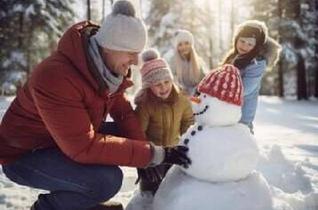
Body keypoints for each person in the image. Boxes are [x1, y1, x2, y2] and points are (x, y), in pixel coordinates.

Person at [0, 1, 191, 210]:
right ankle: (49, 207)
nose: (136, 61)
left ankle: (81, 201)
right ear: (110, 46)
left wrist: (145, 151)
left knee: (133, 129)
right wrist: (152, 155)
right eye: (131, 52)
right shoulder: (55, 78)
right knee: (106, 181)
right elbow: (83, 147)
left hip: (62, 139)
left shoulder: (106, 70)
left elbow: (123, 113)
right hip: (25, 154)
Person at [134, 49, 195, 195]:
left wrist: (190, 142)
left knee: (171, 190)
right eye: (157, 84)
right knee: (151, 189)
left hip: (174, 153)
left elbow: (188, 121)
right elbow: (138, 133)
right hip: (153, 156)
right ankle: (146, 197)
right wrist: (143, 160)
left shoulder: (181, 100)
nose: (163, 87)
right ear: (149, 86)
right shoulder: (145, 105)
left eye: (166, 82)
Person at [222, 20, 281, 133]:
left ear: (256, 46)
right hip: (228, 109)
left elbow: (246, 89)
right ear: (236, 39)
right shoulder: (233, 56)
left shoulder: (257, 63)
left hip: (243, 113)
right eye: (242, 41)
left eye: (250, 44)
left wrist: (220, 91)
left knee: (242, 136)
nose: (244, 46)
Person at [169, 29, 207, 96]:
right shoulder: (173, 62)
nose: (184, 47)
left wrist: (197, 90)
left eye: (186, 43)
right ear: (177, 47)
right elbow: (172, 79)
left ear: (191, 45)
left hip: (197, 95)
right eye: (180, 44)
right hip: (181, 95)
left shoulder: (199, 61)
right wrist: (180, 88)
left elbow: (204, 79)